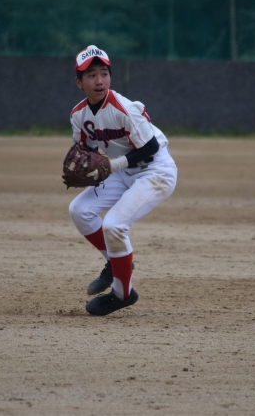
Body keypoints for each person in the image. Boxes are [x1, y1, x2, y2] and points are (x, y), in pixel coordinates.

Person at [67, 45, 178, 316]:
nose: (99, 80)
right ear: (79, 82)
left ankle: (122, 294)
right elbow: (87, 151)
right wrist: (86, 165)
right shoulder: (79, 115)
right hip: (123, 170)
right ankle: (115, 263)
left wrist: (113, 165)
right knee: (79, 210)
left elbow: (150, 147)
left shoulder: (124, 108)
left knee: (114, 225)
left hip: (155, 170)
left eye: (104, 73)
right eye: (91, 75)